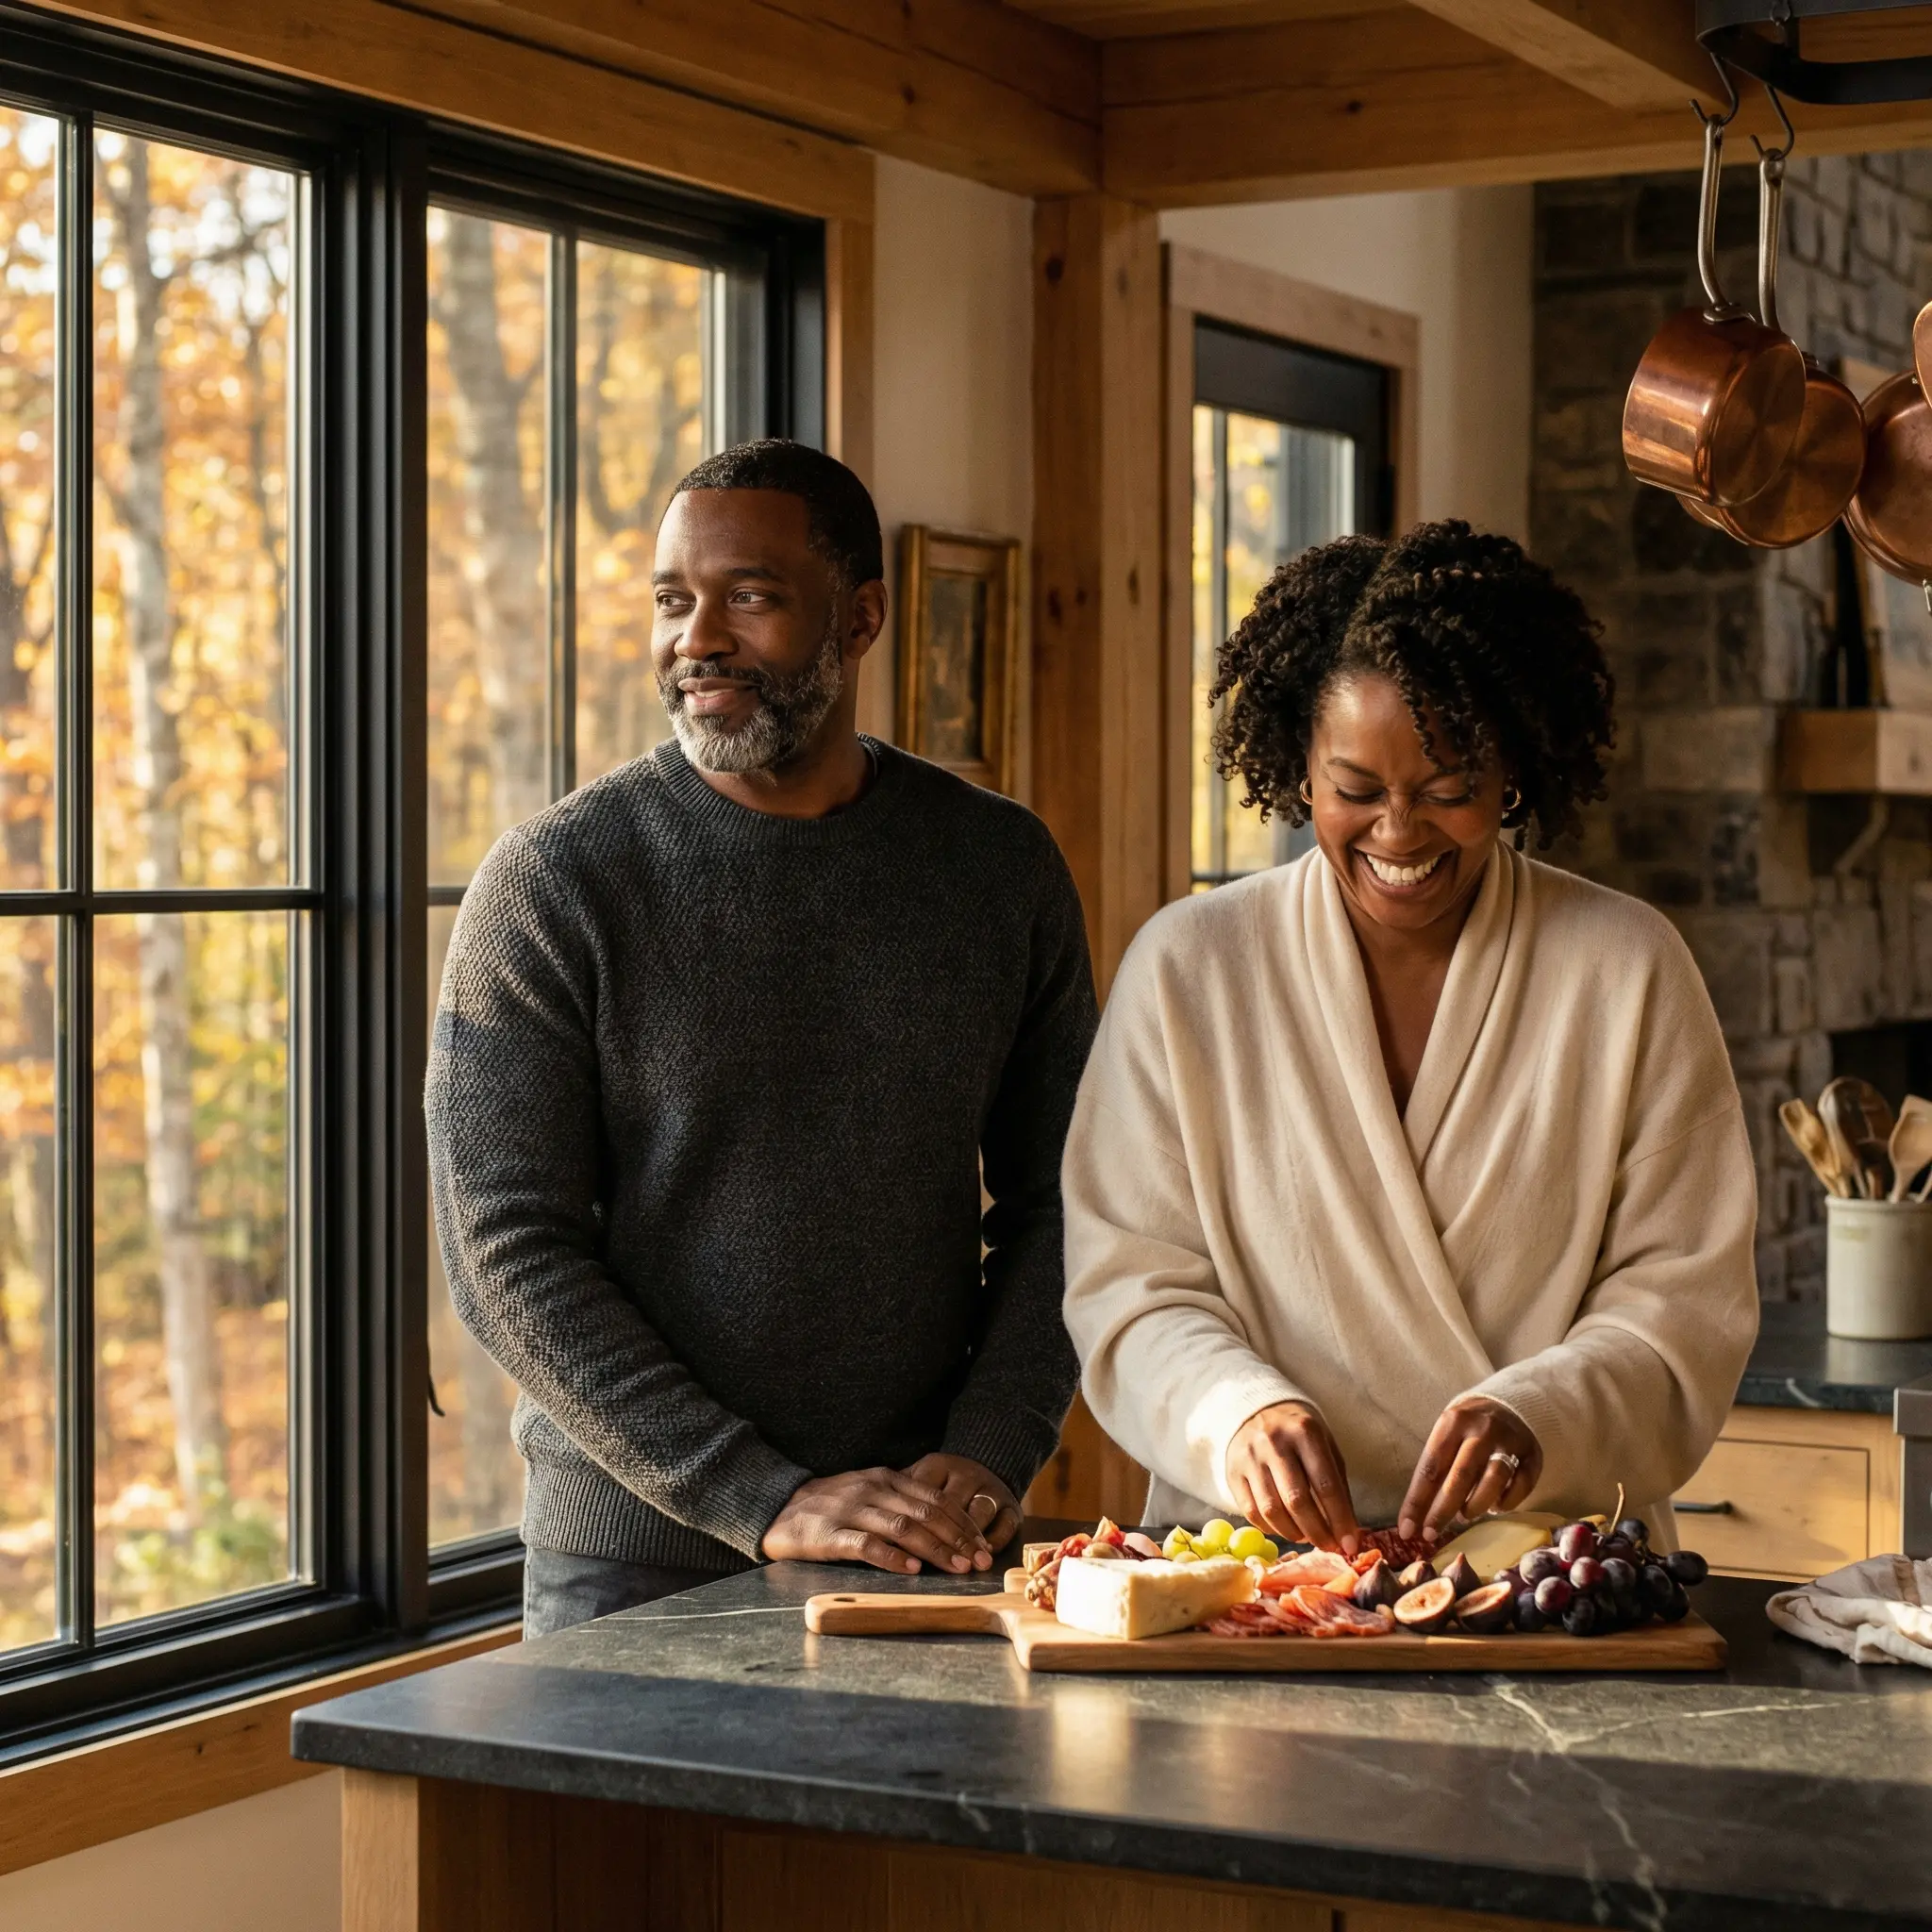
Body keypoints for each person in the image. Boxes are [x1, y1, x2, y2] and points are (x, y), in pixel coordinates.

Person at [427, 440, 1097, 1637]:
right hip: (630, 1560)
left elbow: (1071, 1198)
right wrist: (759, 1493)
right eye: (672, 600)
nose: (698, 639)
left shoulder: (997, 868)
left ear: (862, 616)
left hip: (924, 1535)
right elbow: (502, 1250)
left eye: (749, 595)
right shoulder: (555, 882)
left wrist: (991, 1445)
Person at [1062, 521, 1757, 1557]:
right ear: (1297, 768)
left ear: (1513, 771)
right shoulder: (1186, 969)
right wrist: (1232, 1411)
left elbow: (1680, 1302)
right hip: (1253, 1570)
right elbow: (1128, 1280)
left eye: (1447, 789)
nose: (1397, 834)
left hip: (1539, 1571)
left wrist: (1544, 1416)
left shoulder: (1626, 967)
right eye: (1356, 791)